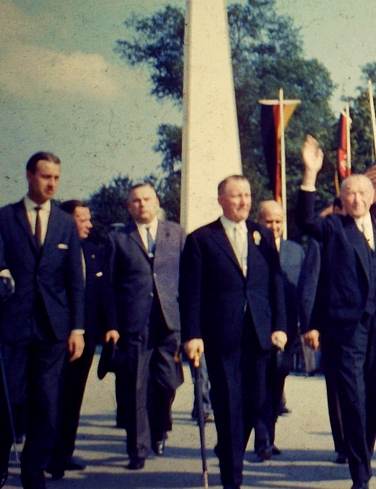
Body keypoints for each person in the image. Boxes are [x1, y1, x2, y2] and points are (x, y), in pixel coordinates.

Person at [298, 135, 376, 489]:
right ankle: (360, 475)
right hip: (347, 332)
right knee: (351, 398)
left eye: (362, 194)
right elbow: (305, 221)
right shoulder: (333, 229)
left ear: (372, 197)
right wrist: (309, 174)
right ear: (343, 198)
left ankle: (359, 447)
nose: (356, 199)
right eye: (349, 194)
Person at [180, 175, 287, 489]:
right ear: (221, 200)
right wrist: (192, 334)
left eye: (247, 195)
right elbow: (190, 292)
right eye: (236, 196)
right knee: (227, 403)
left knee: (256, 402)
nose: (243, 201)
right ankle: (232, 479)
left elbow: (275, 284)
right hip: (220, 335)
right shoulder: (202, 239)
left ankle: (229, 446)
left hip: (259, 332)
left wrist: (280, 326)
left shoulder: (262, 235)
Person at [0, 152, 85, 489]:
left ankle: (33, 471)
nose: (51, 184)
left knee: (47, 403)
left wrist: (77, 328)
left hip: (53, 328)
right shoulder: (5, 218)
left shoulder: (65, 222)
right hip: (14, 325)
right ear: (29, 176)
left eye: (57, 178)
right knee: (10, 398)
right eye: (45, 176)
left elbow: (75, 281)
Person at [108, 183, 184, 469]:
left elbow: (188, 280)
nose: (142, 205)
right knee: (135, 386)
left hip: (168, 321)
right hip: (134, 323)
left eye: (147, 199)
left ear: (157, 202)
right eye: (136, 201)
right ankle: (137, 449)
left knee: (167, 382)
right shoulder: (118, 239)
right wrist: (113, 324)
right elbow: (110, 287)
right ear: (129, 207)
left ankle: (160, 426)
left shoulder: (175, 234)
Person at [48, 201, 119, 478]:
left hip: (87, 339)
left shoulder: (93, 252)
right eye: (82, 220)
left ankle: (63, 453)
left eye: (89, 219)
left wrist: (111, 326)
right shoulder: (53, 253)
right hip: (57, 338)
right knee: (51, 398)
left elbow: (105, 293)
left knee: (73, 398)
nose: (89, 225)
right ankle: (44, 453)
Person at [298, 198, 347, 464]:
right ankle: (343, 444)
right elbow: (310, 283)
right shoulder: (321, 240)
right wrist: (309, 325)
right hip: (332, 324)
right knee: (338, 387)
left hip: (367, 327)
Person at [254, 199, 304, 458]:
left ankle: (269, 436)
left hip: (288, 329)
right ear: (259, 222)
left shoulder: (295, 251)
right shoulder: (250, 249)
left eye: (278, 221)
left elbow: (304, 290)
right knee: (260, 384)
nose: (273, 226)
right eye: (268, 221)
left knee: (277, 381)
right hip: (258, 328)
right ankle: (261, 441)